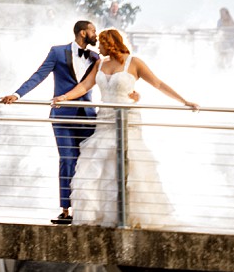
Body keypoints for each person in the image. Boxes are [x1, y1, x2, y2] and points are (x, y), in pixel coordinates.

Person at [55, 27, 199, 228]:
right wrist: (64, 98)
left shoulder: (134, 63)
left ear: (110, 43)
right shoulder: (100, 63)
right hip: (104, 120)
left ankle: (129, 215)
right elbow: (84, 86)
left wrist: (184, 101)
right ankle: (104, 215)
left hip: (126, 119)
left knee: (128, 162)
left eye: (101, 43)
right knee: (99, 163)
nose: (98, 47)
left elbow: (157, 83)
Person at [1, 20, 119, 224]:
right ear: (83, 33)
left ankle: (90, 210)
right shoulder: (57, 52)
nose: (95, 34)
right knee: (67, 159)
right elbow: (39, 75)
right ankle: (66, 211)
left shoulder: (96, 57)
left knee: (89, 163)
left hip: (88, 117)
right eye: (92, 31)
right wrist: (17, 94)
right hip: (63, 115)